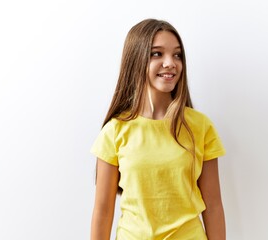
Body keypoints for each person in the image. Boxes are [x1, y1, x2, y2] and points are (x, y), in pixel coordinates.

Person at [90, 18, 226, 240]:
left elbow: (213, 205)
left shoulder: (200, 127)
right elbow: (103, 212)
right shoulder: (115, 132)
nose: (170, 62)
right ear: (136, 59)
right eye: (157, 54)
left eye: (177, 55)